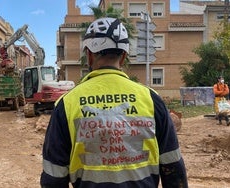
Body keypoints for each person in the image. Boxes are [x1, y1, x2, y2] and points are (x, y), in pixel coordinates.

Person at [40, 17, 188, 188]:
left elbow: (54, 176)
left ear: (89, 55)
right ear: (123, 56)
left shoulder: (67, 104)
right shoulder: (151, 99)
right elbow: (173, 168)